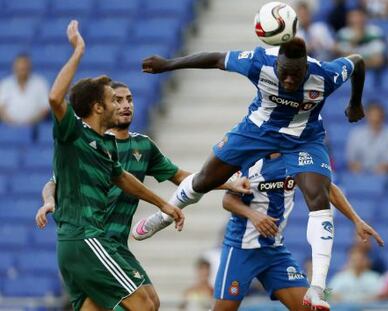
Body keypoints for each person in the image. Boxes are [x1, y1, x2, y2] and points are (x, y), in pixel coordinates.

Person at [132, 37, 366, 310]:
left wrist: (356, 102)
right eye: (284, 74)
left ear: (305, 69)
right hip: (243, 239)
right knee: (207, 179)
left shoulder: (325, 76)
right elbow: (216, 58)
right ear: (277, 65)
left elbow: (358, 61)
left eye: (296, 75)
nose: (289, 81)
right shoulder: (259, 65)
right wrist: (169, 64)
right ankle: (164, 213)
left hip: (276, 242)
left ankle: (318, 288)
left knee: (318, 202)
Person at [36, 80, 249, 311]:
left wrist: (228, 183)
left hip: (115, 243)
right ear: (103, 106)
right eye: (117, 100)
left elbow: (181, 177)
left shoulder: (142, 146)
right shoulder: (88, 144)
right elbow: (54, 181)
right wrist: (49, 201)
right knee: (142, 305)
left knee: (150, 302)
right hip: (93, 241)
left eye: (129, 99)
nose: (125, 105)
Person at [42, 20, 184, 311]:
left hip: (78, 246)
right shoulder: (74, 134)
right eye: (112, 100)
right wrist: (79, 51)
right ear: (97, 107)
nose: (119, 105)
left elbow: (122, 178)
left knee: (146, 302)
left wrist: (163, 205)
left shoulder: (104, 146)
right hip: (86, 239)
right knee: (143, 305)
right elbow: (55, 98)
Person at [212, 153, 384, 311]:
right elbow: (228, 200)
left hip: (274, 251)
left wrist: (356, 220)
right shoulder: (249, 159)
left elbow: (327, 188)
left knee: (307, 307)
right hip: (241, 249)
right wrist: (254, 216)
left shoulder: (295, 160)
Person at [346, 102, 388, 173]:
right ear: (367, 115)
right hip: (359, 176)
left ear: (383, 116)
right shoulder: (356, 134)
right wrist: (359, 170)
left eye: (378, 115)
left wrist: (378, 171)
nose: (375, 118)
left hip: (382, 176)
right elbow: (351, 160)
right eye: (372, 115)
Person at [0, 53, 49, 125]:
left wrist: (30, 123)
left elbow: (45, 108)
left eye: (25, 67)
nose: (22, 69)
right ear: (14, 67)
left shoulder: (40, 83)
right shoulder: (6, 84)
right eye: (20, 67)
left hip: (35, 127)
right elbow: (1, 108)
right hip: (9, 128)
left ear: (30, 67)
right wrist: (12, 123)